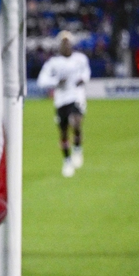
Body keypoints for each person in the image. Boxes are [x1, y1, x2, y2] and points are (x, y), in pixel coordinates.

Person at [36, 31, 91, 178]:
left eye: (68, 42)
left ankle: (77, 149)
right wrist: (56, 82)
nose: (66, 45)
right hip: (61, 100)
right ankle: (67, 160)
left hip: (76, 96)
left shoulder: (80, 59)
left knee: (76, 122)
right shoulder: (53, 63)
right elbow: (41, 80)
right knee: (63, 132)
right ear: (60, 45)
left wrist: (83, 79)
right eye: (63, 43)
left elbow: (86, 72)